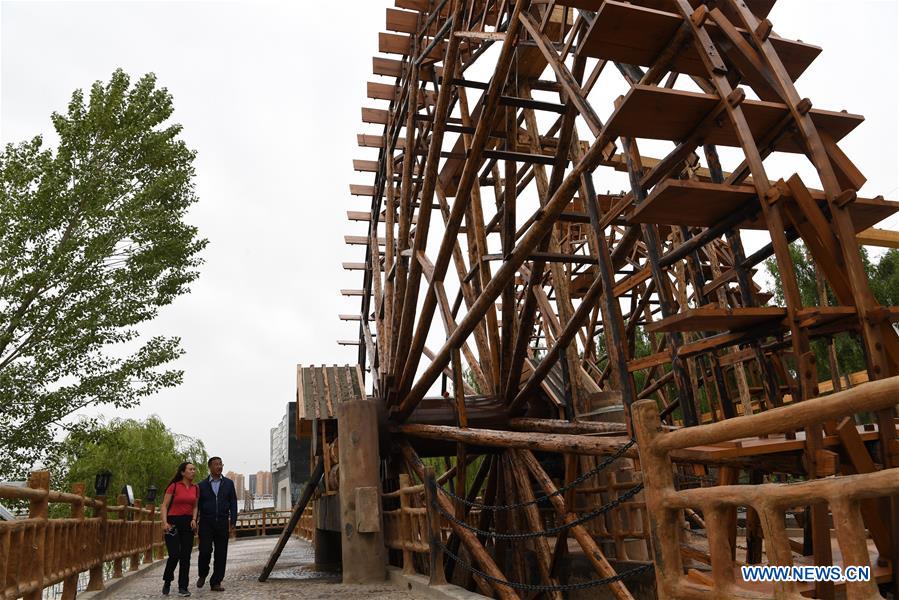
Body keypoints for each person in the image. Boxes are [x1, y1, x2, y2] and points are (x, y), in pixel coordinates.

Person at [196, 456, 238, 592]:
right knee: (205, 550)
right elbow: (196, 506)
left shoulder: (229, 484)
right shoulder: (201, 486)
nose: (219, 467)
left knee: (221, 554)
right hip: (206, 523)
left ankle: (216, 582)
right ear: (210, 467)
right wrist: (194, 520)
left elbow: (233, 503)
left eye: (221, 464)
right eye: (216, 464)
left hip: (222, 522)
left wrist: (233, 521)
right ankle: (203, 573)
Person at [159, 462, 199, 597]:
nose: (193, 471)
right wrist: (165, 523)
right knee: (174, 555)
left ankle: (183, 587)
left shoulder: (195, 488)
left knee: (186, 556)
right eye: (190, 469)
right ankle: (167, 580)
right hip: (173, 523)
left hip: (188, 523)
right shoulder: (174, 486)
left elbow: (195, 506)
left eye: (194, 469)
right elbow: (164, 506)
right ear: (183, 472)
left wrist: (194, 519)